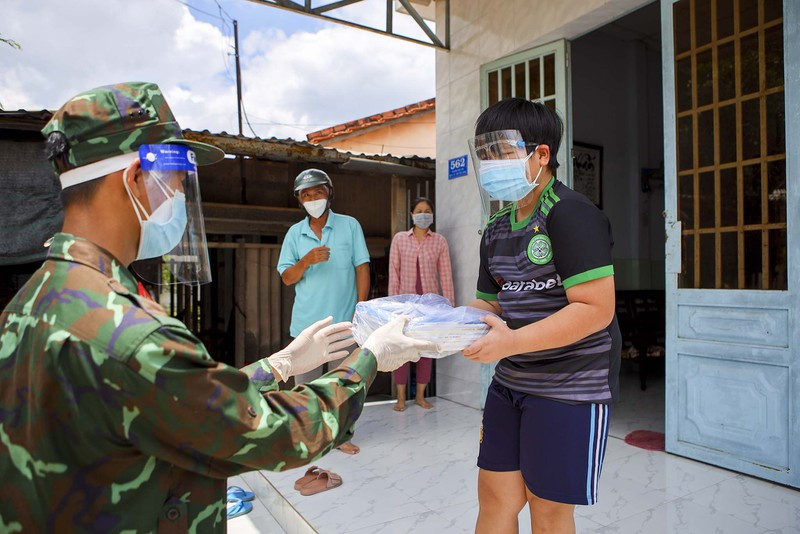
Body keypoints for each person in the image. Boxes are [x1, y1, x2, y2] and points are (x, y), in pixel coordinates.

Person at [0, 82, 437, 532]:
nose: (180, 196)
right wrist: (370, 359)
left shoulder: (30, 302)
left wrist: (278, 364)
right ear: (135, 178)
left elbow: (172, 400)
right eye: (174, 180)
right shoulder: (130, 331)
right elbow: (275, 434)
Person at [463, 97, 620, 534]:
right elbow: (489, 304)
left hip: (570, 387)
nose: (491, 166)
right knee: (495, 498)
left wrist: (510, 342)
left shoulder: (571, 214)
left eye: (501, 154)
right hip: (511, 384)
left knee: (548, 512)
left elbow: (595, 309)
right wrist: (437, 329)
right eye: (485, 157)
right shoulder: (495, 229)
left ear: (541, 155)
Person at [278, 168, 370, 455]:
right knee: (306, 387)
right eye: (306, 194)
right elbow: (287, 277)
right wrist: (305, 261)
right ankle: (308, 438)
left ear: (329, 193)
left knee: (342, 386)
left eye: (317, 191)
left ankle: (340, 436)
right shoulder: (295, 233)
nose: (312, 198)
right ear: (300, 201)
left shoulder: (350, 225)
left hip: (344, 323)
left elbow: (362, 268)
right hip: (306, 326)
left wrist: (360, 311)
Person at [388, 197, 455, 411]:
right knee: (402, 351)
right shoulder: (400, 239)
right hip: (405, 305)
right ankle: (400, 398)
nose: (423, 214)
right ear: (411, 215)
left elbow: (446, 275)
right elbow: (394, 273)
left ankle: (420, 396)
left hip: (430, 307)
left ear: (432, 215)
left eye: (427, 211)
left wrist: (449, 307)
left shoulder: (439, 241)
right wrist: (392, 305)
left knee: (425, 351)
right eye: (419, 210)